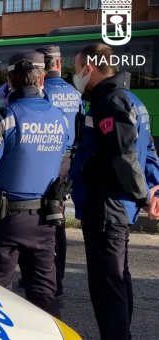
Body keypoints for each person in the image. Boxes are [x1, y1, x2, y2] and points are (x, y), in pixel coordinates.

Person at [0, 50, 70, 318]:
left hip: (5, 221)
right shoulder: (60, 118)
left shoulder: (2, 117)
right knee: (44, 296)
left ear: (10, 80)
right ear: (43, 79)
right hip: (45, 221)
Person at [71, 43, 159, 340]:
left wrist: (144, 195)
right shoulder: (132, 99)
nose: (76, 75)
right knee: (118, 279)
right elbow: (148, 151)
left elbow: (123, 156)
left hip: (107, 206)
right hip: (116, 206)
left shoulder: (109, 102)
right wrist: (152, 188)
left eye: (77, 68)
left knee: (108, 284)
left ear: (89, 68)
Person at [34, 45, 83, 302]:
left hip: (45, 159)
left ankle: (42, 278)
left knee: (38, 216)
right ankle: (58, 279)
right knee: (57, 217)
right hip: (68, 162)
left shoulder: (41, 92)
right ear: (59, 63)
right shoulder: (74, 93)